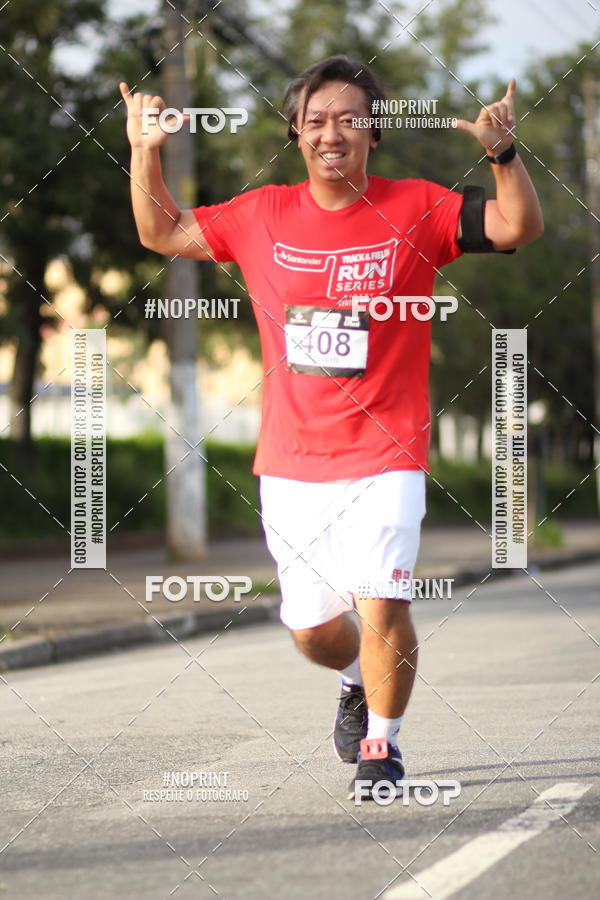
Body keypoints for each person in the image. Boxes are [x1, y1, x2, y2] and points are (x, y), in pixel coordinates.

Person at [119, 56, 543, 801]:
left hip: (388, 449)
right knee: (314, 629)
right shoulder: (261, 215)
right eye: (316, 120)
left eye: (350, 118)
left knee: (381, 599)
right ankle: (353, 679)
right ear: (296, 134)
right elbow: (160, 231)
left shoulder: (416, 206)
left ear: (374, 133)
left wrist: (502, 154)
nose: (332, 132)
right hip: (290, 462)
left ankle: (383, 748)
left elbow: (517, 224)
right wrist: (144, 150)